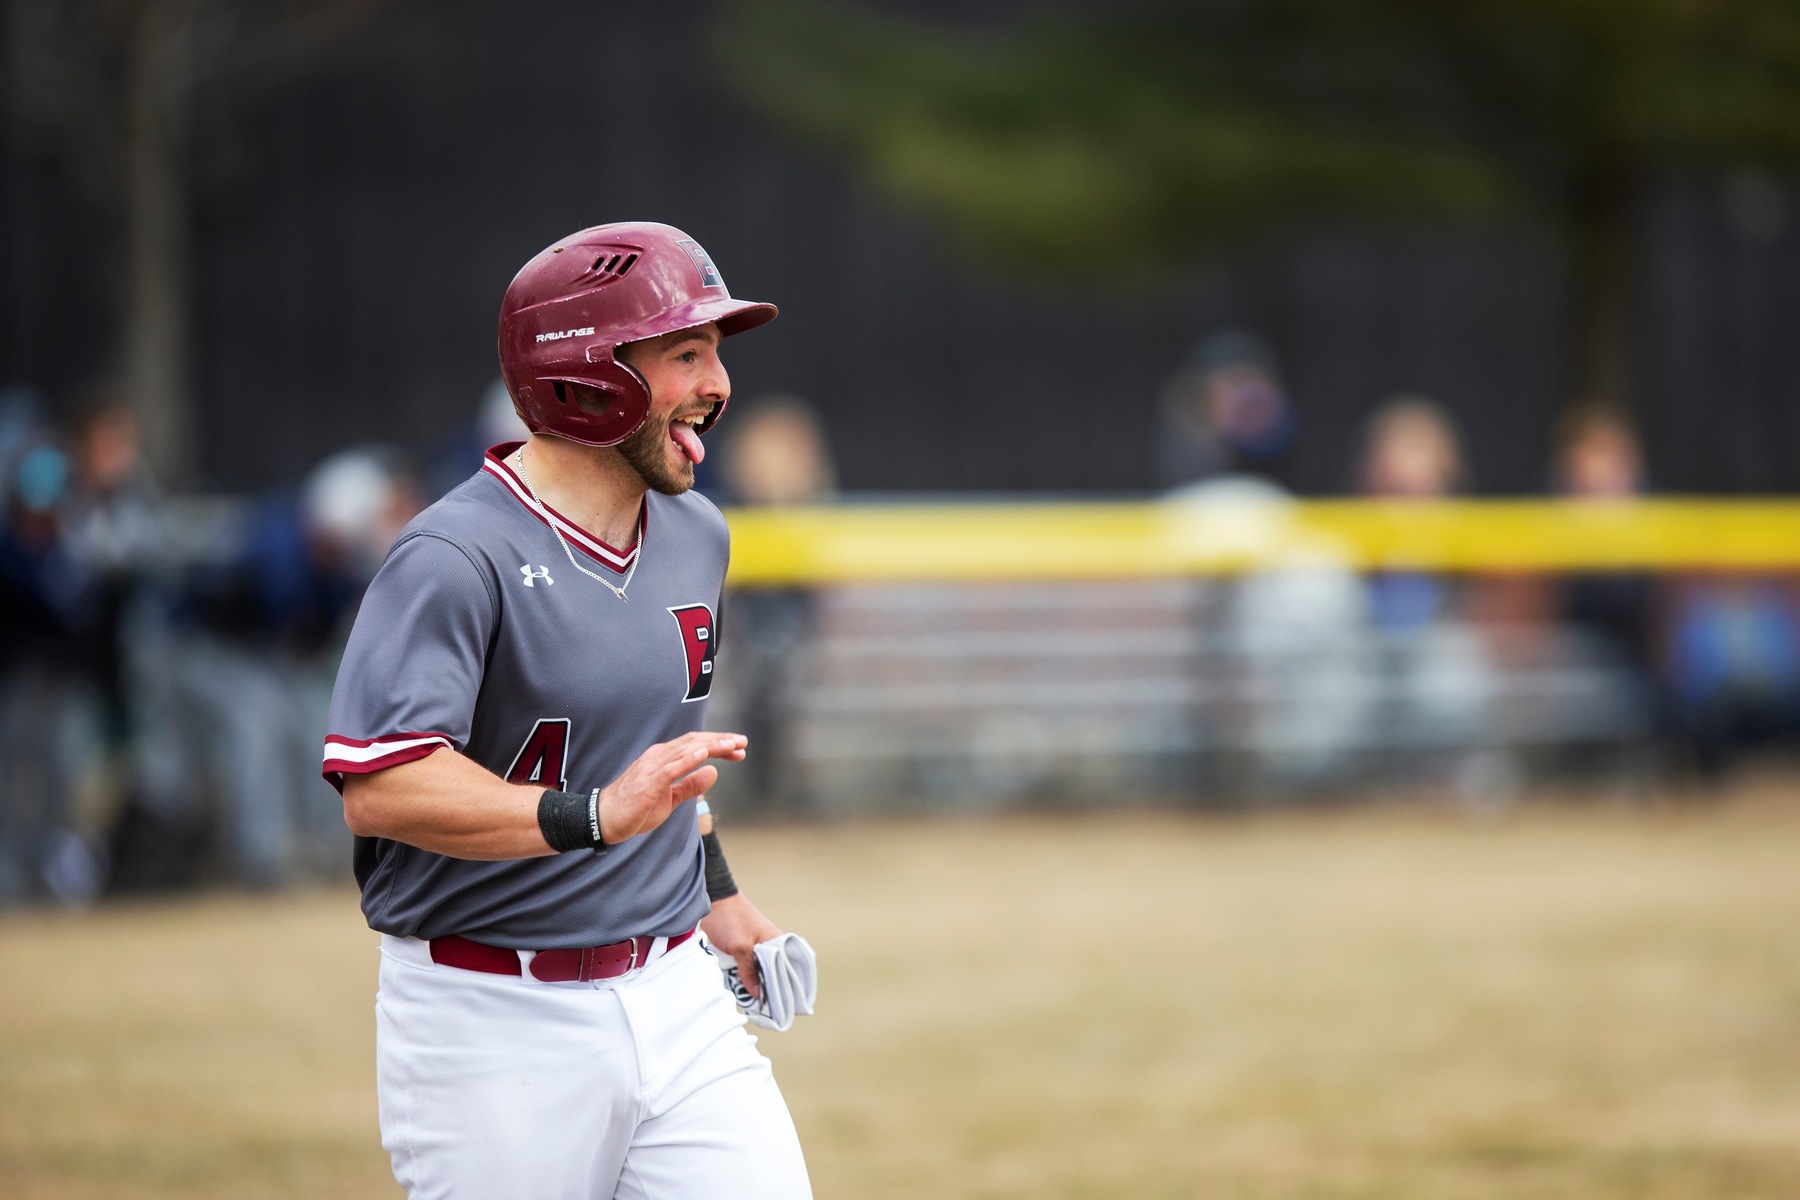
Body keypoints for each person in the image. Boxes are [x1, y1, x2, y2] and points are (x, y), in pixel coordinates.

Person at [322, 222, 811, 1199]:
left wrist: (716, 897)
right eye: (686, 352)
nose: (718, 383)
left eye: (718, 351)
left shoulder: (698, 533)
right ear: (588, 374)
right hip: (493, 1017)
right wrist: (589, 815)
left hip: (678, 996)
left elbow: (656, 758)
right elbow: (382, 785)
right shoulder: (453, 556)